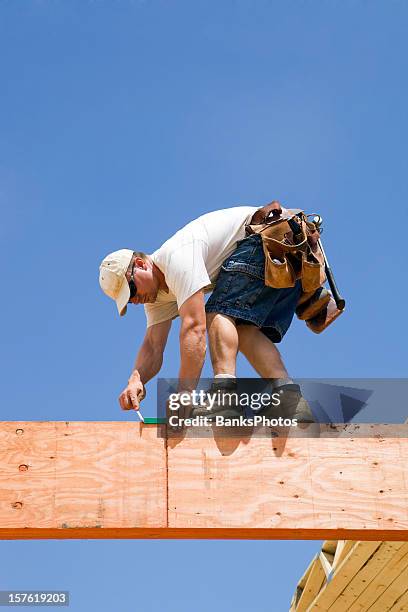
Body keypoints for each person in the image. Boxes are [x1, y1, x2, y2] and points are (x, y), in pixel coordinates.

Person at [99, 201, 314, 422]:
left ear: (141, 264)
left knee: (216, 315)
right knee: (242, 329)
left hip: (269, 239)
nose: (134, 299)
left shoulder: (175, 259)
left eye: (131, 289)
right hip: (288, 253)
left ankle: (225, 396)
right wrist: (137, 379)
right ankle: (289, 398)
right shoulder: (156, 298)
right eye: (128, 300)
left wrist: (185, 395)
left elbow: (195, 328)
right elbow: (154, 346)